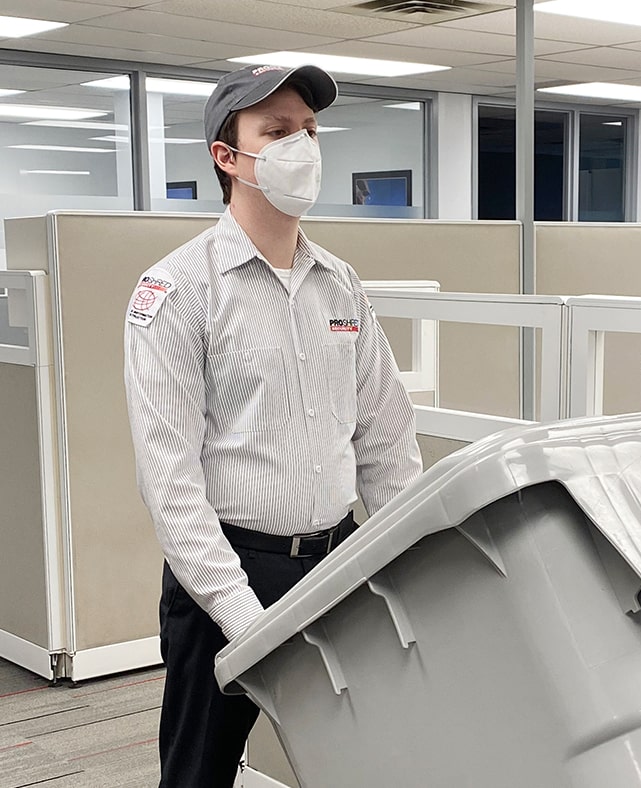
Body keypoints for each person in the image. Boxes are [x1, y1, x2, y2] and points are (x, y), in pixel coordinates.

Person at [124, 63, 422, 787]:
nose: (304, 148)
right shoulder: (178, 289)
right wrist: (239, 612)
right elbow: (171, 478)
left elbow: (385, 436)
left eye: (311, 131)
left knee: (363, 755)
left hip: (337, 558)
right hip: (231, 568)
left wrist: (409, 563)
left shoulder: (339, 282)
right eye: (279, 132)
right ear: (227, 157)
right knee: (200, 770)